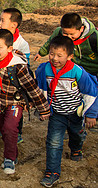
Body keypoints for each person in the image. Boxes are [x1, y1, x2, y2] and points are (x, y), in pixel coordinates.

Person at [0, 29, 50, 175]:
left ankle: (10, 158)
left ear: (9, 48)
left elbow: (32, 87)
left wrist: (44, 108)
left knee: (9, 128)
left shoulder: (17, 66)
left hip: (15, 102)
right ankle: (13, 151)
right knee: (4, 128)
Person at [36, 36, 97, 187]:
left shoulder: (77, 72)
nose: (54, 58)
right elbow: (40, 88)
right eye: (51, 54)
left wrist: (91, 114)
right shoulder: (45, 69)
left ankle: (76, 148)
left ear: (70, 56)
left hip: (75, 113)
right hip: (57, 113)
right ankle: (52, 172)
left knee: (76, 134)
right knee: (53, 142)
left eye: (59, 55)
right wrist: (41, 108)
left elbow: (91, 92)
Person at [0, 8, 29, 143]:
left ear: (14, 25)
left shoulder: (22, 44)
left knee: (16, 106)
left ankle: (17, 131)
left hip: (14, 83)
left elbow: (27, 68)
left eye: (2, 20)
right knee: (0, 105)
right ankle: (4, 126)